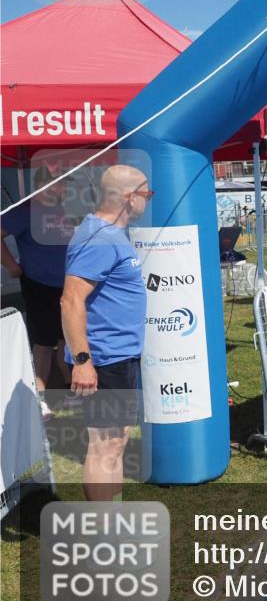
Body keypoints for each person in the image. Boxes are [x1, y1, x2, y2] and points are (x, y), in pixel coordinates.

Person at [61, 165, 151, 501]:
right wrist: (83, 360)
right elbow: (70, 300)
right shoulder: (98, 238)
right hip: (104, 358)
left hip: (119, 355)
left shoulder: (111, 233)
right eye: (146, 194)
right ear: (130, 198)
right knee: (105, 446)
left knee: (117, 440)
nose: (148, 200)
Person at [1, 165, 75, 418]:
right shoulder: (25, 212)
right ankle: (39, 399)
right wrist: (11, 265)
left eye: (65, 183)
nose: (64, 188)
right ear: (43, 185)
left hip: (68, 285)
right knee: (43, 344)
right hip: (39, 286)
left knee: (68, 339)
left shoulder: (67, 211)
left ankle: (70, 392)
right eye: (59, 183)